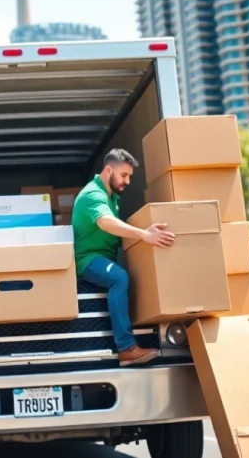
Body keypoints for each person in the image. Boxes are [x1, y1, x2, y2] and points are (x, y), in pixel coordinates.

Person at [73, 148, 176, 367]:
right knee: (119, 278)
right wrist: (143, 235)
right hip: (87, 260)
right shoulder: (93, 194)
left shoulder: (112, 196)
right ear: (108, 169)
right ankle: (127, 348)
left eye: (129, 176)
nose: (127, 181)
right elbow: (105, 222)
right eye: (124, 175)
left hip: (107, 255)